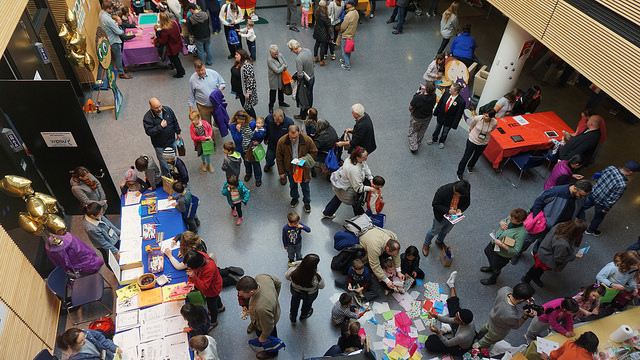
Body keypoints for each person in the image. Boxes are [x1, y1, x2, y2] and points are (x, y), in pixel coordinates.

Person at [512, 180, 592, 264]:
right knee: (528, 239)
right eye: (581, 195)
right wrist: (537, 219)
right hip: (544, 224)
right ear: (575, 188)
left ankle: (536, 253)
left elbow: (581, 209)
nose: (583, 198)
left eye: (585, 196)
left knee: (544, 241)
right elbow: (539, 201)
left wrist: (583, 222)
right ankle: (517, 253)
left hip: (558, 229)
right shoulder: (556, 192)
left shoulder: (581, 197)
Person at [579, 161, 639, 236]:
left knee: (581, 206)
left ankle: (573, 215)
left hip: (593, 193)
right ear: (630, 172)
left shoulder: (610, 168)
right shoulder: (622, 184)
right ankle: (590, 231)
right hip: (601, 203)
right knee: (598, 217)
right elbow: (612, 199)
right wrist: (606, 208)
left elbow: (600, 176)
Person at [522, 220, 587, 288]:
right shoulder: (563, 244)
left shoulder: (560, 225)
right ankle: (526, 279)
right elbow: (559, 259)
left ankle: (534, 278)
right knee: (536, 269)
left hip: (544, 251)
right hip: (547, 259)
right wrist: (574, 256)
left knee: (538, 269)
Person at [426, 271, 475, 355]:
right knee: (454, 307)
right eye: (456, 316)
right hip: (460, 331)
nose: (454, 318)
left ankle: (444, 330)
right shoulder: (467, 320)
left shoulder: (461, 336)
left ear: (462, 322)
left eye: (457, 319)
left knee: (430, 342)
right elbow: (450, 320)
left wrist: (438, 332)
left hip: (460, 347)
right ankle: (451, 284)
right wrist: (436, 316)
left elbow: (447, 343)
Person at [476, 283, 536, 349]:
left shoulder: (505, 289)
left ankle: (478, 336)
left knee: (485, 328)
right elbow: (516, 325)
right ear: (522, 299)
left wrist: (525, 297)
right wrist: (525, 316)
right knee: (486, 341)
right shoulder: (511, 314)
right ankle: (475, 349)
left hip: (492, 317)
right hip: (497, 330)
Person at [236, 275, 282, 359]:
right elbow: (278, 282)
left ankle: (272, 353)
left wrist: (263, 337)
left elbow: (269, 326)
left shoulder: (261, 308)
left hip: (266, 322)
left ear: (251, 292)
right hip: (269, 313)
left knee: (270, 337)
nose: (239, 295)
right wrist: (274, 298)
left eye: (242, 294)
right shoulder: (262, 277)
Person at [422, 180, 471, 256]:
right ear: (454, 189)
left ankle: (439, 241)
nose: (459, 196)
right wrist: (448, 210)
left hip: (454, 217)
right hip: (441, 216)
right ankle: (426, 244)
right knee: (434, 230)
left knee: (446, 230)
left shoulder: (465, 191)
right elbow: (435, 204)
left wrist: (461, 209)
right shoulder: (443, 191)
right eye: (457, 194)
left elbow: (467, 203)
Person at [276, 125, 318, 212]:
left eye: (295, 137)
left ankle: (307, 202)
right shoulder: (282, 141)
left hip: (303, 169)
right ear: (288, 134)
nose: (293, 140)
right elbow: (279, 157)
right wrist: (281, 172)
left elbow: (314, 152)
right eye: (291, 138)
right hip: (290, 169)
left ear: (299, 133)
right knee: (292, 185)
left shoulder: (307, 140)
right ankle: (295, 198)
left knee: (305, 187)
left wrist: (304, 159)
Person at [322, 147, 373, 219]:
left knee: (339, 197)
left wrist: (370, 177)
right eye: (364, 157)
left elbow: (365, 165)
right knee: (356, 203)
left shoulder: (352, 158)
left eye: (366, 155)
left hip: (341, 184)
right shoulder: (354, 170)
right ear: (357, 157)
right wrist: (371, 189)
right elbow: (358, 188)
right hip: (348, 189)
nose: (366, 158)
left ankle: (327, 212)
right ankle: (362, 219)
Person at [480, 208, 528, 285]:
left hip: (503, 254)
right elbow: (504, 220)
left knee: (497, 266)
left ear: (520, 221)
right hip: (495, 243)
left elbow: (515, 250)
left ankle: (493, 279)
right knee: (488, 252)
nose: (509, 219)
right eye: (510, 217)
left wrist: (501, 244)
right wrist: (501, 222)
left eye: (512, 219)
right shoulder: (512, 217)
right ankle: (491, 267)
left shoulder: (520, 233)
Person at [184, 250, 224, 330]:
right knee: (216, 298)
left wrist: (194, 277)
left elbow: (205, 287)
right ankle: (220, 307)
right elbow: (192, 270)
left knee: (212, 306)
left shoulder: (209, 268)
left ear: (197, 266)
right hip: (213, 286)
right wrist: (190, 279)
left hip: (212, 289)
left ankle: (213, 322)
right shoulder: (198, 256)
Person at [143, 98, 182, 177]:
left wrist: (178, 132)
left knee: (174, 159)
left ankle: (176, 174)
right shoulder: (147, 118)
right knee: (164, 163)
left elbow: (174, 121)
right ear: (151, 107)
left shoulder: (168, 110)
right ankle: (167, 178)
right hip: (160, 146)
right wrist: (160, 126)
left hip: (172, 141)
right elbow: (149, 132)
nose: (159, 109)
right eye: (156, 108)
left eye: (160, 106)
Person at [456, 108, 498, 179]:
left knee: (476, 156)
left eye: (487, 116)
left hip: (484, 142)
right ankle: (459, 173)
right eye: (484, 114)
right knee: (466, 157)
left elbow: (493, 129)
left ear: (491, 117)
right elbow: (472, 126)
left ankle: (470, 166)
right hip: (472, 140)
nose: (484, 117)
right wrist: (473, 132)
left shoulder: (494, 122)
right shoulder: (477, 118)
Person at [359, 230, 403, 296]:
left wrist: (399, 271)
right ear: (387, 249)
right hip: (365, 240)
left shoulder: (393, 237)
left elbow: (396, 255)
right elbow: (375, 265)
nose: (393, 256)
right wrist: (387, 281)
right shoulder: (375, 248)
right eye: (392, 254)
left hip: (374, 236)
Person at [285, 253, 324, 322]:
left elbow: (287, 276)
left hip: (295, 291)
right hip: (310, 294)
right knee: (307, 304)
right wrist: (317, 271)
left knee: (294, 302)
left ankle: (293, 316)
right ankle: (304, 315)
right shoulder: (317, 276)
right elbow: (321, 286)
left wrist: (297, 263)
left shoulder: (294, 271)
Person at [188, 60, 227, 128]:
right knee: (207, 126)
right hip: (203, 107)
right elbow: (191, 94)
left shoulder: (213, 73)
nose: (201, 72)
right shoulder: (192, 79)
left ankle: (216, 123)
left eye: (202, 70)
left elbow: (223, 83)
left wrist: (218, 91)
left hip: (216, 104)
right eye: (198, 70)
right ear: (195, 69)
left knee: (220, 120)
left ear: (204, 66)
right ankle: (211, 138)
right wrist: (191, 110)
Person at [99, 1, 131, 79]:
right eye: (111, 9)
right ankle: (121, 72)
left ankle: (122, 68)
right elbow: (118, 32)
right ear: (108, 9)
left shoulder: (101, 14)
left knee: (118, 56)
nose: (112, 10)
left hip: (108, 37)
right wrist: (122, 31)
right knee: (118, 56)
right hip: (114, 40)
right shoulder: (108, 19)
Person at [230, 110, 262, 185]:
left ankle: (258, 178)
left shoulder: (252, 123)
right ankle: (248, 173)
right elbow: (236, 140)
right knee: (246, 162)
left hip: (252, 148)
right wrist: (238, 131)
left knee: (256, 163)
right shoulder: (233, 126)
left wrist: (259, 141)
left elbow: (260, 132)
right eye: (239, 121)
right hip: (242, 148)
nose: (241, 123)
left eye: (243, 121)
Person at [428, 83, 465, 148]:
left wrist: (454, 124)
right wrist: (436, 112)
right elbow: (440, 103)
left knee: (445, 132)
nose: (449, 89)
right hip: (441, 116)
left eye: (451, 88)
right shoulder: (446, 93)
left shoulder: (461, 102)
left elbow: (458, 114)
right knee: (437, 129)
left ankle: (442, 141)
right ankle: (434, 139)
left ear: (455, 91)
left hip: (449, 120)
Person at [287, 39, 315, 120]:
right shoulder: (308, 51)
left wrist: (298, 81)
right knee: (310, 95)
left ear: (293, 49)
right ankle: (310, 112)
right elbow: (313, 63)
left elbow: (300, 74)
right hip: (312, 77)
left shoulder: (299, 58)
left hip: (305, 81)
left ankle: (302, 115)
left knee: (303, 98)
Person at [56, 328, 122, 360]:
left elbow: (101, 339)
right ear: (71, 346)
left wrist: (114, 347)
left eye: (84, 336)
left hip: (108, 354)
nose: (85, 341)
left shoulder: (86, 332)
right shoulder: (77, 358)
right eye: (81, 341)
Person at [408, 82, 437, 153]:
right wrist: (427, 88)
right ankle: (418, 141)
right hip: (427, 117)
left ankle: (413, 147)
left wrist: (417, 93)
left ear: (426, 89)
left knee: (413, 131)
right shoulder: (434, 96)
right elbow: (431, 93)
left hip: (417, 118)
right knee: (422, 130)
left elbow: (411, 107)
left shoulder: (418, 97)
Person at [155, 12, 185, 78]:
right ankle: (181, 71)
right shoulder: (174, 22)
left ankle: (180, 73)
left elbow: (163, 41)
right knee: (177, 58)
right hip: (178, 43)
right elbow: (179, 29)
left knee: (175, 60)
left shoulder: (165, 30)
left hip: (172, 48)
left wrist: (157, 37)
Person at [231, 50, 258, 119]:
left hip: (245, 92)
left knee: (248, 107)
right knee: (245, 106)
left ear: (242, 56)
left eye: (237, 55)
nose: (235, 56)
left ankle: (254, 120)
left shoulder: (247, 66)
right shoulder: (238, 63)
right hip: (239, 90)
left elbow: (251, 79)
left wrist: (248, 92)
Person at [267, 45, 290, 114]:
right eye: (274, 54)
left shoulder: (280, 55)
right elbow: (277, 70)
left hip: (281, 77)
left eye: (277, 53)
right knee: (273, 92)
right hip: (273, 78)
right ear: (271, 53)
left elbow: (287, 64)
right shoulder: (269, 60)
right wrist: (283, 66)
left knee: (281, 90)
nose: (276, 55)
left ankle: (281, 102)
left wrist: (283, 67)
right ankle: (271, 106)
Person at [337, 0, 358, 71]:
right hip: (352, 34)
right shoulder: (356, 13)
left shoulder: (348, 15)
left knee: (344, 51)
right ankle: (346, 60)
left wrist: (340, 30)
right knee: (348, 50)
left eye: (347, 4)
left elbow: (343, 27)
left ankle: (347, 65)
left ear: (350, 5)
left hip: (346, 35)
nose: (346, 5)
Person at [313, 1, 331, 65]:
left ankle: (315, 57)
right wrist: (329, 19)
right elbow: (328, 24)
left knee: (317, 44)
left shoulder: (317, 11)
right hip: (323, 33)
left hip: (317, 30)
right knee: (322, 46)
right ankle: (322, 60)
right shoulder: (324, 14)